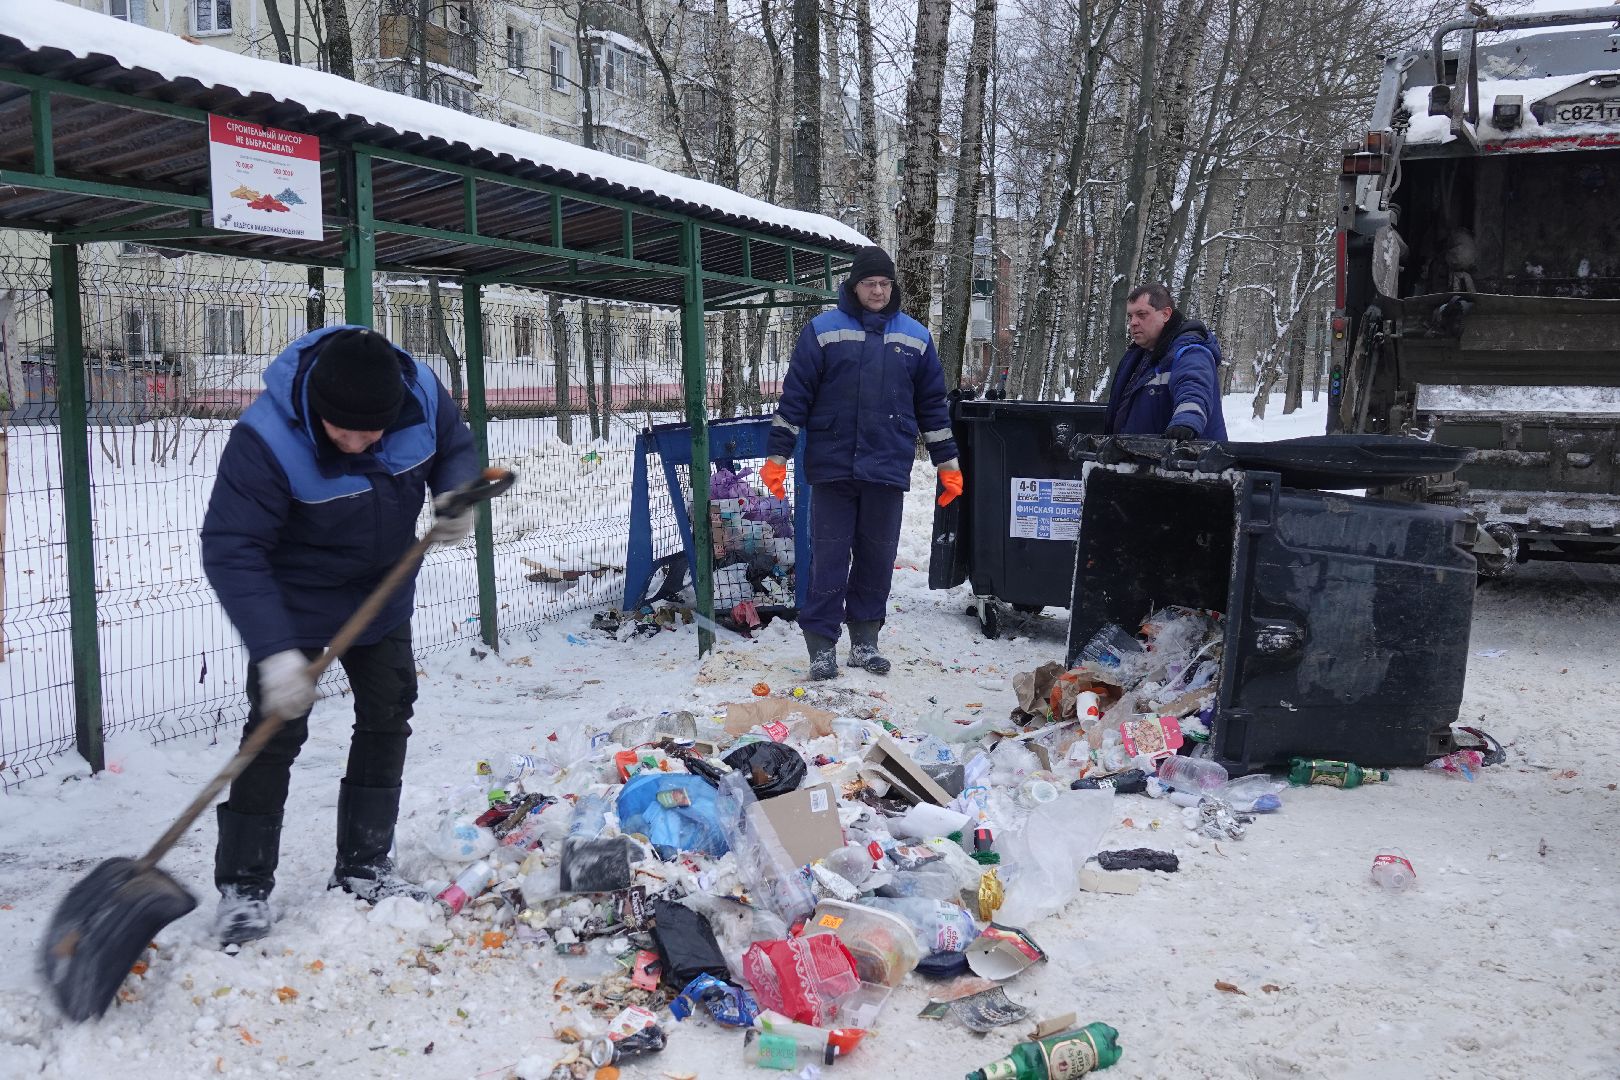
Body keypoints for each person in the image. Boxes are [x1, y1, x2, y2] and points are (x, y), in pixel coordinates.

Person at [200, 326, 478, 947]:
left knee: (388, 712)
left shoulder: (421, 394)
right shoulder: (265, 442)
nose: (356, 442)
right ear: (316, 408)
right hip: (293, 604)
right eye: (341, 430)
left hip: (380, 594)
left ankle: (364, 865)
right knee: (275, 733)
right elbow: (231, 548)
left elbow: (454, 445)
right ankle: (244, 889)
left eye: (371, 431)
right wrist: (275, 654)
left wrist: (455, 491)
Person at [759, 245, 962, 680]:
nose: (877, 291)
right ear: (854, 286)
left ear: (893, 287)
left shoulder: (916, 337)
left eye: (884, 284)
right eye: (869, 283)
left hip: (887, 466)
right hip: (833, 466)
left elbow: (932, 407)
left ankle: (865, 642)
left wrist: (948, 464)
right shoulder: (822, 331)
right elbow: (795, 398)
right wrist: (777, 456)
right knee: (829, 558)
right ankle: (821, 647)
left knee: (876, 557)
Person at [1103, 282, 1228, 441]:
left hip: (1184, 460)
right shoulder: (1137, 356)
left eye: (1142, 315)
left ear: (1166, 314)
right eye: (1130, 316)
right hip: (1136, 460)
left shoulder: (1190, 352)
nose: (1133, 323)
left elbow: (1193, 387)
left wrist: (1186, 422)